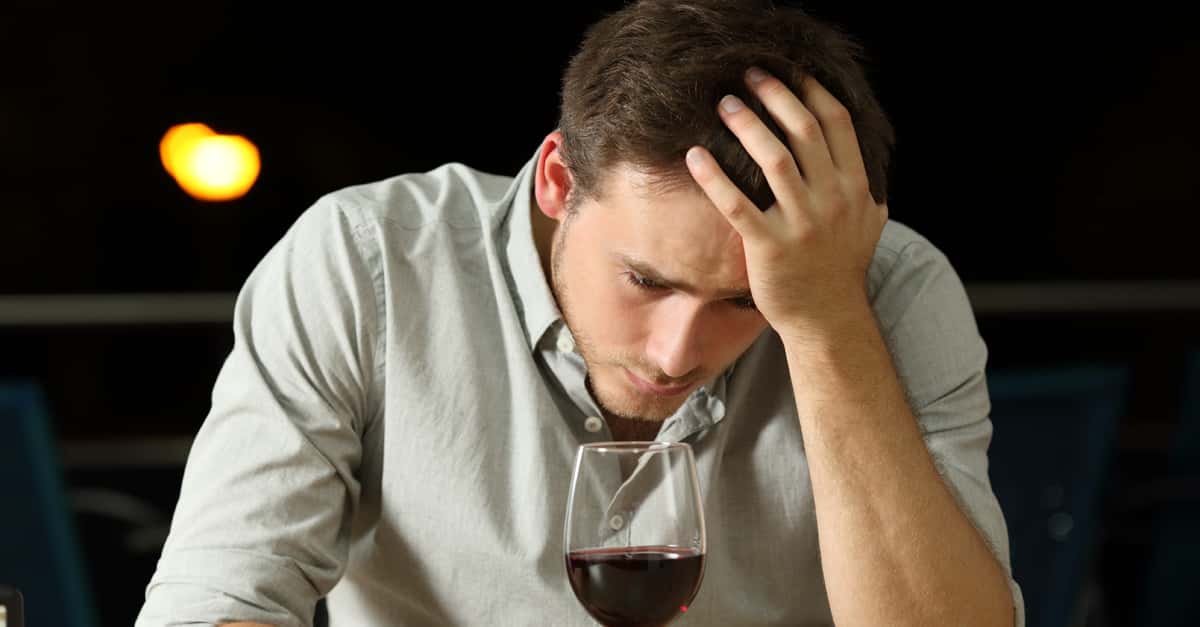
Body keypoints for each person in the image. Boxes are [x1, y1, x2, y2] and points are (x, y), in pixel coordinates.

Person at [138, 0, 1024, 625]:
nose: (675, 354)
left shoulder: (886, 288)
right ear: (560, 180)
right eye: (645, 280)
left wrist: (824, 319)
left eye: (744, 301)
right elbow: (218, 600)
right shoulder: (363, 261)